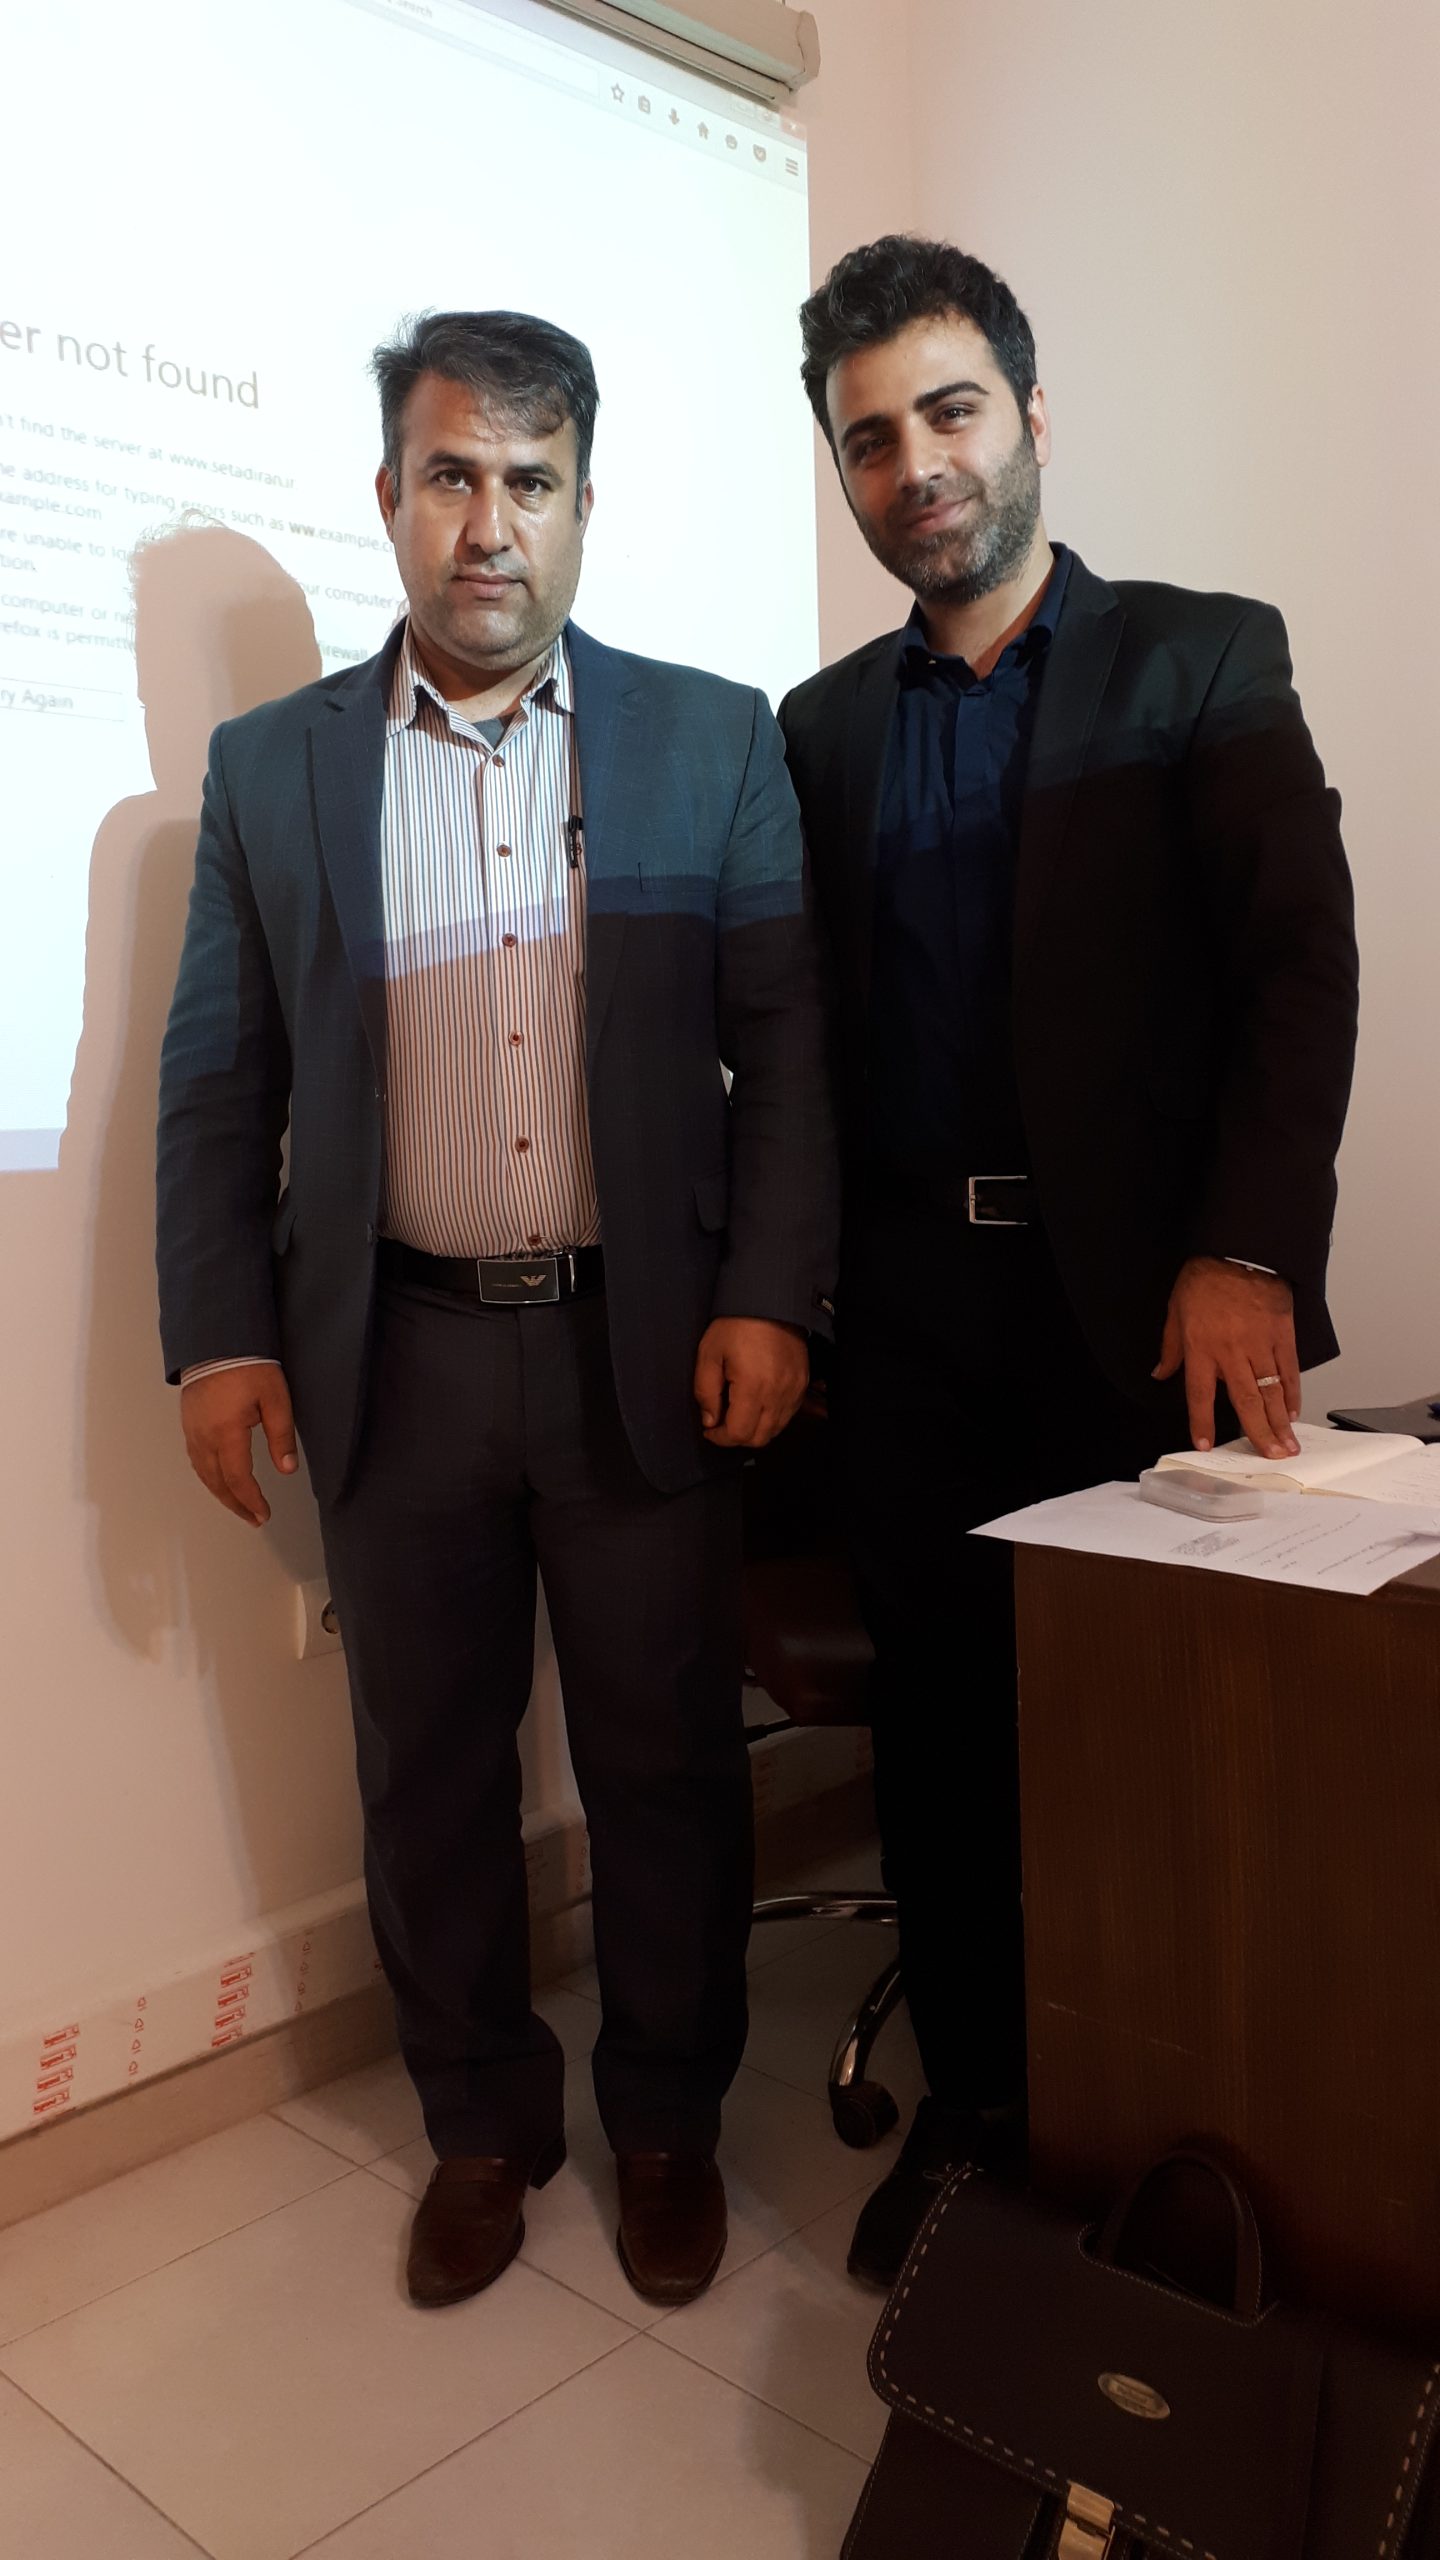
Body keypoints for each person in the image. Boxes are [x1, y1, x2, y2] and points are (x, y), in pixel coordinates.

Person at [157, 309, 837, 2311]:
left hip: (647, 1344)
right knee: (427, 1769)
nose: (489, 524)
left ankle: (665, 2119)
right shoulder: (273, 768)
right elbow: (219, 1078)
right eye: (452, 475)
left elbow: (788, 1049)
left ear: (584, 506)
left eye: (531, 482)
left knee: (664, 1765)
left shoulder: (713, 738)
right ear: (390, 494)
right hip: (398, 1351)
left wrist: (771, 1295)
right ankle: (481, 2120)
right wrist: (221, 1335)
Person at [779, 237, 1358, 2288]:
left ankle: (1184, 2135)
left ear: (1030, 413)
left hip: (1149, 1314)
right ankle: (982, 2121)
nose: (916, 464)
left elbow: (1297, 966)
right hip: (912, 1323)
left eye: (948, 411)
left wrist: (1244, 1245)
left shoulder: (1201, 657)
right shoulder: (821, 727)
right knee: (944, 1742)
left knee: (1170, 1742)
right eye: (870, 439)